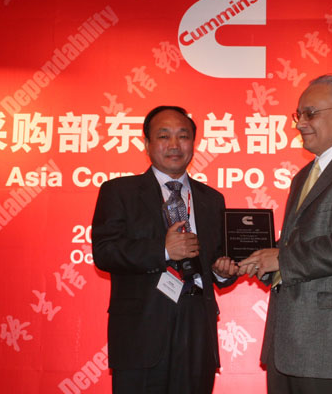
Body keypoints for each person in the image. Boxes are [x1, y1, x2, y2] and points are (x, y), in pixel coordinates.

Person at [239, 75, 332, 394]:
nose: (300, 123)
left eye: (310, 113)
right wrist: (256, 261)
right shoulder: (303, 176)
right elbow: (296, 245)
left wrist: (281, 258)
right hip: (286, 343)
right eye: (298, 115)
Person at [92, 105, 239, 394]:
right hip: (142, 329)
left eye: (183, 136)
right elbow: (105, 251)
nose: (174, 145)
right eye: (163, 136)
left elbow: (217, 258)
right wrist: (163, 250)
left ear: (193, 143)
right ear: (147, 143)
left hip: (197, 326)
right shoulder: (119, 191)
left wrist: (223, 271)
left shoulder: (212, 199)